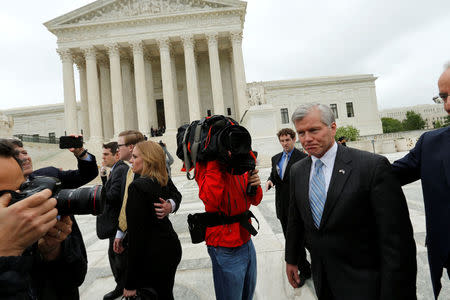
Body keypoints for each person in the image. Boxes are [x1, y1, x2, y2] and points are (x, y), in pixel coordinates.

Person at [285, 103, 417, 300]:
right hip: (324, 282)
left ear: (333, 127)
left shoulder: (371, 167)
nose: (307, 139)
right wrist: (292, 259)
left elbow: (397, 241)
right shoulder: (298, 171)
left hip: (366, 284)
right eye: (301, 133)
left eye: (314, 130)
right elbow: (295, 219)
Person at [6, 137, 98, 299]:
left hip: (67, 268)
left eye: (25, 152)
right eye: (16, 155)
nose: (24, 157)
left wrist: (80, 153)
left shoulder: (48, 176)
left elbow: (87, 174)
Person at [391, 65, 450, 299]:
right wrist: (339, 160)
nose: (447, 106)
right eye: (443, 97)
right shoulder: (431, 144)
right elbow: (387, 175)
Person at [108, 130, 181, 300]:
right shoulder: (159, 178)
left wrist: (130, 283)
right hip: (169, 247)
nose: (131, 160)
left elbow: (137, 238)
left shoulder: (138, 187)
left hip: (152, 254)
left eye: (135, 157)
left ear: (147, 159)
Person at [195, 158, 263, 300]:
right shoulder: (206, 164)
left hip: (246, 240)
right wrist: (214, 160)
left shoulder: (241, 162)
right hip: (224, 244)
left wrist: (255, 184)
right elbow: (211, 200)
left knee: (247, 295)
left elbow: (255, 200)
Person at [0, 140, 58, 299]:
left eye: (21, 191)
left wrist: (49, 254)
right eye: (3, 196)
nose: (18, 204)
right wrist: (5, 256)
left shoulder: (27, 229)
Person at [265, 128, 311, 286]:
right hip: (283, 207)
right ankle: (304, 269)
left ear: (294, 140)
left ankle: (311, 267)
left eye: (287, 140)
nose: (285, 143)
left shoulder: (303, 158)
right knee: (291, 240)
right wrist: (270, 181)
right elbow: (274, 175)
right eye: (282, 141)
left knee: (304, 240)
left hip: (299, 207)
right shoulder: (275, 158)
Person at [96, 142, 129, 297]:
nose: (102, 157)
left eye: (106, 154)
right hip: (114, 223)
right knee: (115, 257)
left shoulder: (120, 170)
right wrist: (103, 179)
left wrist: (97, 195)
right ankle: (121, 286)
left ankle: (122, 287)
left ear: (117, 154)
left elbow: (113, 197)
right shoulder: (116, 170)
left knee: (118, 258)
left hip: (117, 222)